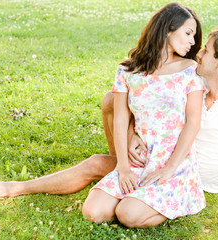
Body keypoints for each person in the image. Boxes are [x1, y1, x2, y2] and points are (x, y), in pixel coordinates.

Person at [0, 26, 218, 220]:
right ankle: (120, 165)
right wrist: (131, 134)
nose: (197, 54)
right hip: (155, 157)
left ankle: (20, 188)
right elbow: (134, 97)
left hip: (189, 175)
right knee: (110, 102)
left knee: (95, 167)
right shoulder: (193, 81)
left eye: (205, 51)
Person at [82, 3, 206, 228]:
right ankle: (134, 198)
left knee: (127, 214)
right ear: (168, 29)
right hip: (138, 158)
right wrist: (123, 167)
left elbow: (193, 123)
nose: (192, 41)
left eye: (193, 36)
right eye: (188, 33)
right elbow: (120, 119)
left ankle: (181, 198)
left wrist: (169, 169)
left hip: (173, 161)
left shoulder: (190, 70)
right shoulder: (128, 71)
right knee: (93, 212)